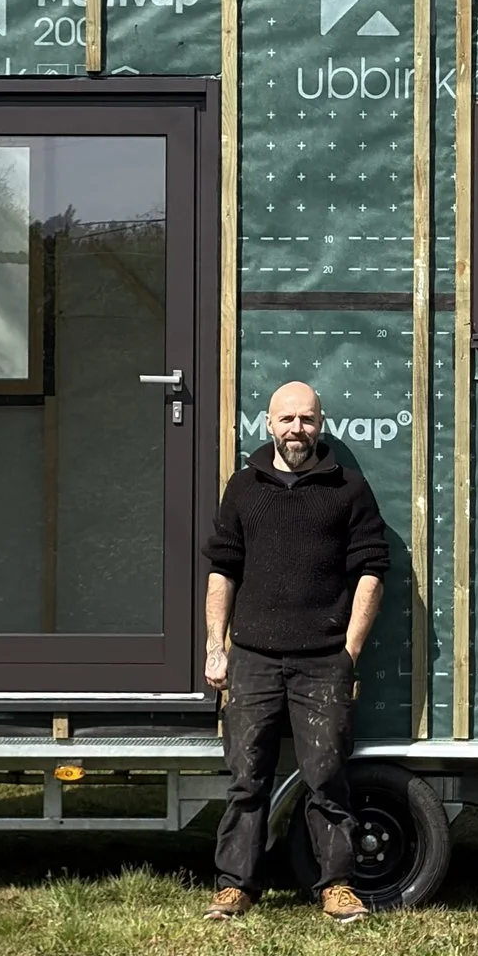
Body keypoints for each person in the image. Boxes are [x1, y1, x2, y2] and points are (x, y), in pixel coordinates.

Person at [202, 381, 387, 924]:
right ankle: (236, 886)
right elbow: (222, 570)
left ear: (320, 424)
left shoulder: (349, 489)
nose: (296, 429)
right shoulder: (243, 487)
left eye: (306, 419)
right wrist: (216, 648)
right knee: (247, 778)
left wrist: (349, 652)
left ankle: (337, 886)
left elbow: (373, 571)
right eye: (287, 419)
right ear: (269, 424)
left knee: (326, 777)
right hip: (252, 658)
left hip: (323, 661)